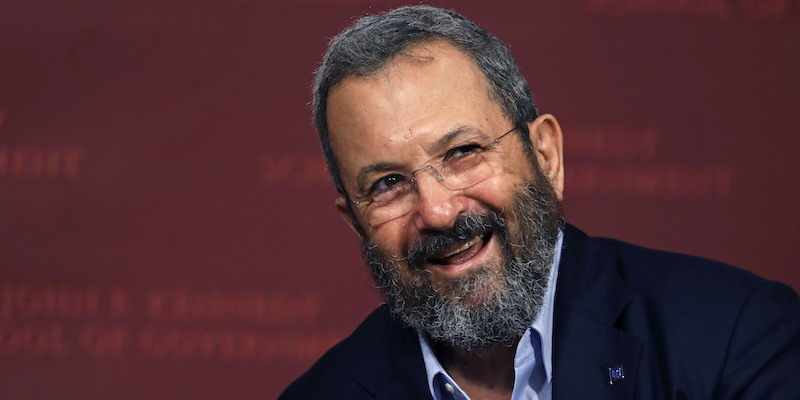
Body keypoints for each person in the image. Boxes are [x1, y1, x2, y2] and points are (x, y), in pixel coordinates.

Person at [279, 5, 800, 399]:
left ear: (545, 156)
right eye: (388, 184)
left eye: (462, 152)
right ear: (355, 223)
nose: (437, 211)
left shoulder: (735, 337)